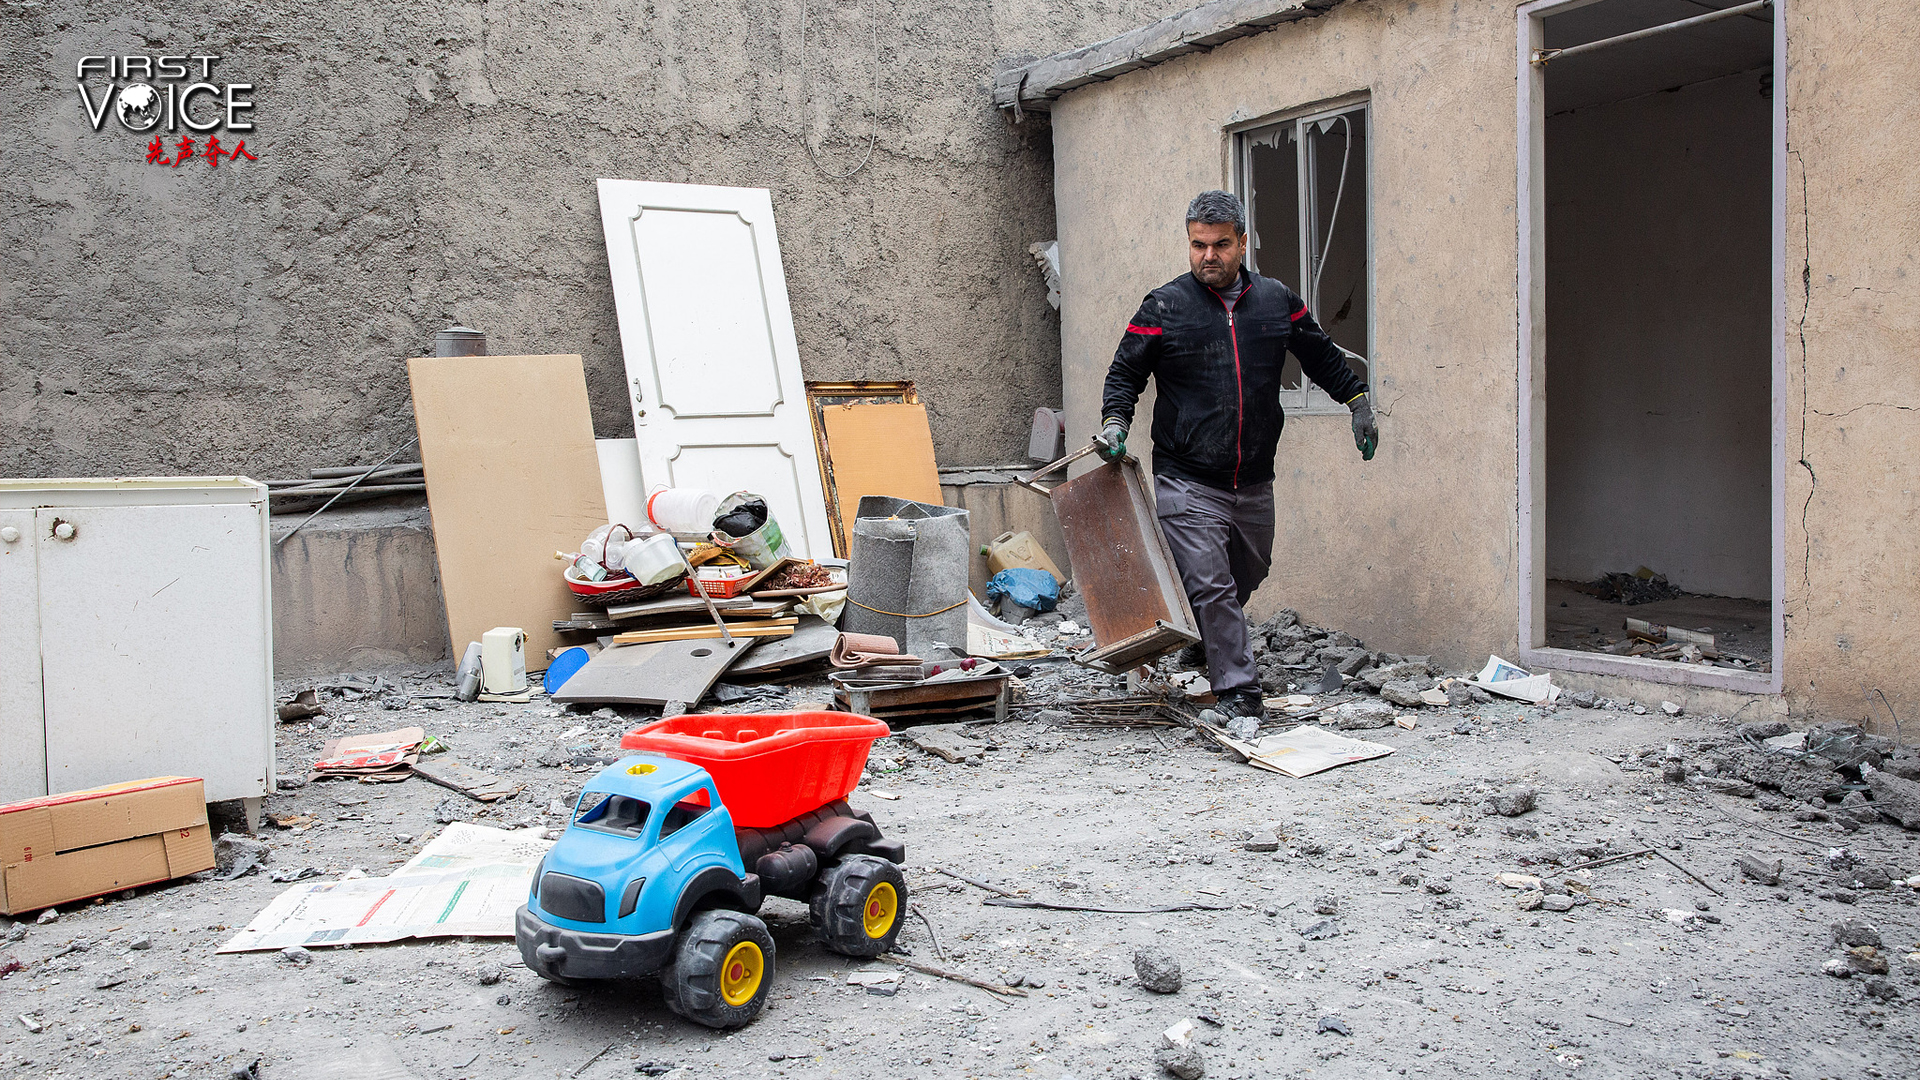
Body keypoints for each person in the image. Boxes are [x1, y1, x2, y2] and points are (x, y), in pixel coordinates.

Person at [1098, 190, 1378, 720]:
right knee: (1211, 580)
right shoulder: (1165, 306)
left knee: (1248, 569)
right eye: (1198, 245)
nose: (1209, 256)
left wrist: (1357, 401)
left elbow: (1319, 354)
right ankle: (1239, 692)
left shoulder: (1276, 301)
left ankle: (1207, 636)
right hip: (1186, 475)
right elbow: (1125, 373)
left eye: (1221, 244)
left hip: (1252, 477)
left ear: (1242, 242)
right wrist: (1116, 422)